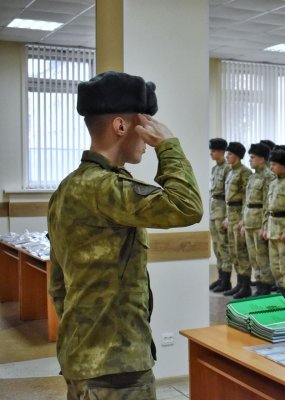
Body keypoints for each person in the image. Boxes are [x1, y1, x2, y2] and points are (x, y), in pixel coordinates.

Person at [47, 71, 203, 399]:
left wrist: (85, 334)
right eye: (145, 127)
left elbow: (58, 283)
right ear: (121, 126)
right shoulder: (106, 188)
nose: (148, 140)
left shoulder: (67, 188)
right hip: (116, 368)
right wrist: (169, 147)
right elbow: (187, 206)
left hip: (83, 355)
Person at [241, 143, 275, 296]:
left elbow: (268, 204)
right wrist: (243, 221)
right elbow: (246, 200)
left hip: (259, 222)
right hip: (249, 221)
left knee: (262, 258)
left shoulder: (269, 176)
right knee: (253, 258)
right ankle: (259, 284)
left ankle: (265, 287)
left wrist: (265, 225)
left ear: (262, 159)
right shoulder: (252, 176)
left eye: (253, 157)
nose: (250, 160)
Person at [263, 149, 285, 304]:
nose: (271, 167)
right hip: (272, 227)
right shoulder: (273, 183)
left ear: (283, 165)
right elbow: (267, 207)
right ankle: (280, 293)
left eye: (274, 164)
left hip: (282, 228)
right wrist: (265, 226)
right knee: (275, 266)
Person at [223, 142, 253, 299]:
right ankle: (239, 284)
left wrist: (242, 218)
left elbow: (246, 199)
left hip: (239, 216)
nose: (227, 156)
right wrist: (228, 217)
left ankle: (246, 286)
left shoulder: (245, 173)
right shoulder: (230, 172)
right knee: (233, 251)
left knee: (242, 252)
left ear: (237, 156)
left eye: (230, 154)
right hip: (231, 214)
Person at [208, 138, 232, 292]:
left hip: (222, 210)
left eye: (214, 151)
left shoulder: (227, 169)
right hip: (214, 209)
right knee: (216, 246)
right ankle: (220, 277)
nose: (211, 153)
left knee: (224, 245)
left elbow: (230, 195)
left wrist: (228, 216)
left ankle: (227, 281)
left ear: (222, 152)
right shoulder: (215, 169)